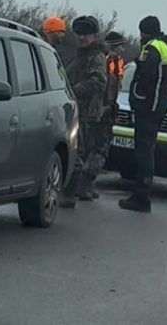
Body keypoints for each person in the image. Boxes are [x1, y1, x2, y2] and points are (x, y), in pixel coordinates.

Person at [119, 16, 167, 213]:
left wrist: (137, 99)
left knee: (143, 151)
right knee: (147, 149)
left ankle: (141, 196)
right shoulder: (165, 46)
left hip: (148, 107)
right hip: (158, 105)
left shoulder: (152, 48)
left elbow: (146, 77)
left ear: (144, 31)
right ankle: (142, 193)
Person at [61, 15, 107, 208]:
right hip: (76, 107)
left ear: (93, 35)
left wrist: (73, 91)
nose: (81, 38)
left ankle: (70, 192)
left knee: (77, 150)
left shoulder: (96, 57)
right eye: (79, 34)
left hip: (85, 111)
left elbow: (98, 82)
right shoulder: (80, 55)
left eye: (85, 34)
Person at [81, 31, 126, 200]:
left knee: (89, 147)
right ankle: (84, 185)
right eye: (120, 46)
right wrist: (108, 108)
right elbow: (108, 88)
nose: (122, 50)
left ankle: (85, 185)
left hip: (96, 110)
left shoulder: (99, 58)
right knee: (99, 148)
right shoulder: (110, 61)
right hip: (101, 111)